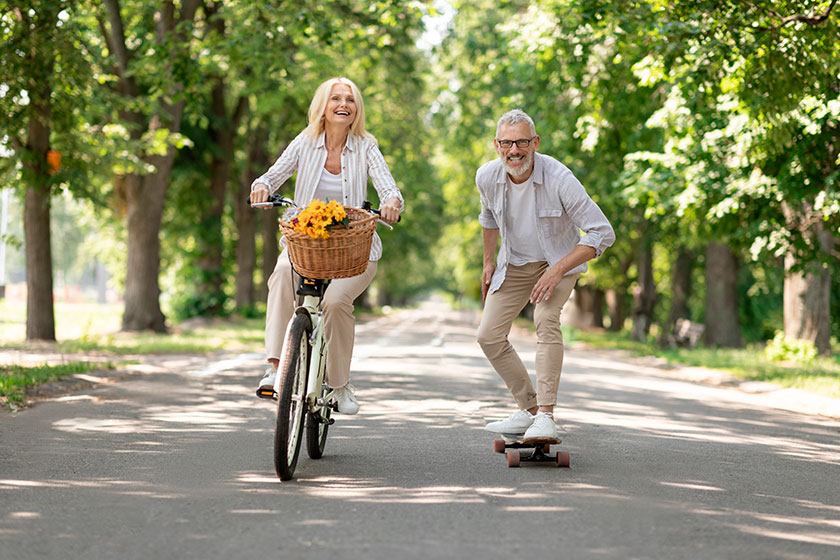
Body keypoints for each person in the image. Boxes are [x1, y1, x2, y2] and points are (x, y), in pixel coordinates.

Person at [250, 77, 403, 414]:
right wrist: (261, 186)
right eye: (336, 98)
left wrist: (392, 202)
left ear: (357, 109)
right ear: (323, 105)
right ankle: (275, 368)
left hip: (354, 251)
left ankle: (339, 385)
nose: (343, 104)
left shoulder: (366, 147)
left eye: (350, 99)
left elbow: (388, 187)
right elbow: (272, 175)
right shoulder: (305, 143)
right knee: (281, 275)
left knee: (335, 302)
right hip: (306, 245)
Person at [477, 109, 615, 439]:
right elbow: (488, 218)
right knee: (488, 336)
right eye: (507, 143)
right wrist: (488, 261)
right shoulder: (487, 177)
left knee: (545, 317)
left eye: (522, 142)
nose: (514, 150)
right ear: (497, 145)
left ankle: (546, 416)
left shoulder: (559, 179)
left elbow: (602, 232)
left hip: (558, 261)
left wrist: (557, 271)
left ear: (535, 143)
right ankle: (530, 410)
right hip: (514, 263)